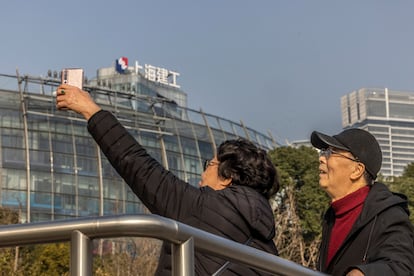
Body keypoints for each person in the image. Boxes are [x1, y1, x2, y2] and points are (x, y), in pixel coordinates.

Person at [56, 84, 279, 275]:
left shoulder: (203, 207)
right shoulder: (267, 244)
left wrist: (91, 110)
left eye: (209, 165)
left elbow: (138, 165)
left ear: (228, 177)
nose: (202, 175)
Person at [310, 128, 414, 276]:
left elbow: (401, 267)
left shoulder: (389, 215)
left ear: (357, 170)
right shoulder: (332, 216)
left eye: (331, 152)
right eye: (323, 152)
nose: (321, 158)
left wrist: (364, 273)